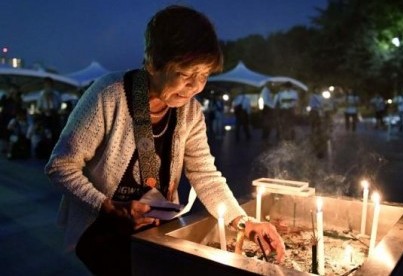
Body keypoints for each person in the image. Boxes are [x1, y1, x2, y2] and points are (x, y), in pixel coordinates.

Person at [45, 5, 285, 275]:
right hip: (101, 230)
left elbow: (205, 174)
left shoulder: (191, 112)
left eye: (203, 76)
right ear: (153, 63)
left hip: (157, 231)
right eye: (184, 75)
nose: (194, 87)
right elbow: (60, 166)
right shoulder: (108, 95)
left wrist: (242, 221)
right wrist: (109, 207)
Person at [36, 77, 62, 143]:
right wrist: (45, 110)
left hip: (54, 115)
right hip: (45, 116)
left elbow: (59, 104)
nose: (48, 85)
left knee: (55, 132)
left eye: (49, 84)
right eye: (46, 84)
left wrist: (55, 110)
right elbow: (39, 107)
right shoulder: (41, 94)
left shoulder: (56, 94)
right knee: (46, 132)